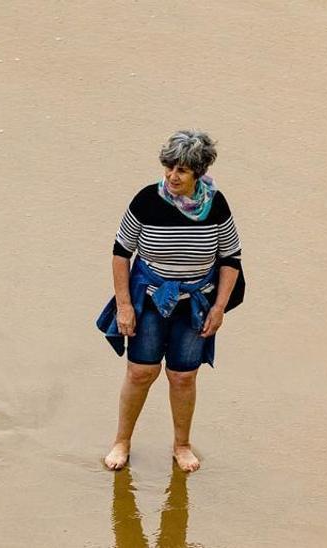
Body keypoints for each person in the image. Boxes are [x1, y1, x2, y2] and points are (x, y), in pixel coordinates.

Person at [96, 130, 243, 472]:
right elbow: (121, 253)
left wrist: (219, 308)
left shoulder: (217, 205)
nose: (172, 176)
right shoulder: (146, 200)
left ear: (199, 172)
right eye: (168, 167)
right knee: (140, 371)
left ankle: (182, 445)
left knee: (183, 377)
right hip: (148, 299)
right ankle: (122, 441)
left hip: (195, 303)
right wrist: (124, 305)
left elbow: (231, 259)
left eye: (181, 171)